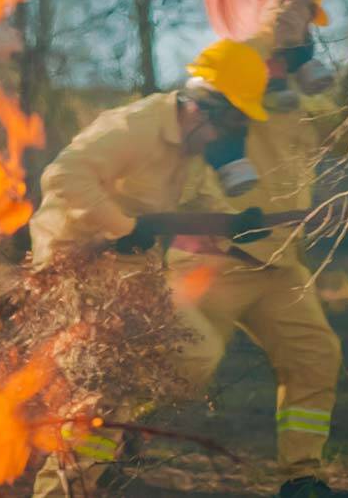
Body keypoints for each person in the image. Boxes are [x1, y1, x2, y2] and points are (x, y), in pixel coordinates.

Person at [27, 38, 271, 497]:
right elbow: (62, 175)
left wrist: (232, 226)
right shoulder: (134, 126)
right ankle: (62, 486)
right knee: (104, 388)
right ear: (203, 109)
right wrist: (122, 225)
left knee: (195, 353)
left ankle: (112, 430)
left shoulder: (192, 150)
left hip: (130, 268)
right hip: (75, 261)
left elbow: (191, 206)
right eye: (232, 126)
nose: (231, 141)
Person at [167, 0, 348, 498]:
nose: (305, 22)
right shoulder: (233, 61)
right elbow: (205, 90)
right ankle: (89, 470)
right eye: (297, 11)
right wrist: (269, 38)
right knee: (166, 369)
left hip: (280, 263)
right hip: (215, 259)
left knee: (315, 356)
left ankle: (303, 478)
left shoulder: (304, 88)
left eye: (309, 15)